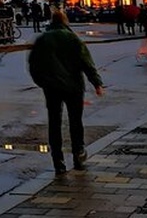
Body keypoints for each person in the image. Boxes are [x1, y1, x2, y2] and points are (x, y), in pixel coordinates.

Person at [28, 10, 104, 175]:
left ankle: (58, 161)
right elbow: (86, 62)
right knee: (75, 121)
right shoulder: (72, 38)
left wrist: (42, 82)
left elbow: (33, 64)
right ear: (65, 21)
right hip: (74, 86)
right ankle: (78, 154)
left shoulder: (43, 39)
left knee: (54, 122)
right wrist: (97, 83)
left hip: (52, 88)